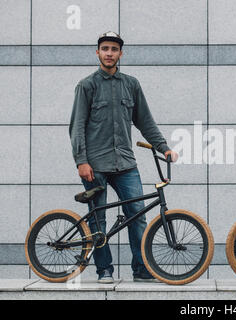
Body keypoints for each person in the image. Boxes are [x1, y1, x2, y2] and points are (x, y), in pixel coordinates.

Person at [69, 31, 178, 283]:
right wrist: (81, 161)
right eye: (105, 48)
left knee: (138, 216)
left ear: (121, 53)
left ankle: (141, 269)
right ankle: (104, 270)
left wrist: (164, 148)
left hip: (126, 164)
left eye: (114, 49)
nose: (109, 53)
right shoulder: (86, 86)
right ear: (97, 52)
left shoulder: (131, 84)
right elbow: (76, 127)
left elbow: (145, 122)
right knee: (99, 220)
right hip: (95, 165)